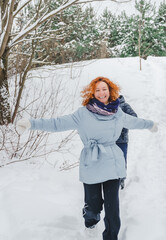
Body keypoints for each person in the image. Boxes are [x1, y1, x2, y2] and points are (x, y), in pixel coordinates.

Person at [16, 77, 158, 240]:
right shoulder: (83, 114)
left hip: (112, 163)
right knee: (93, 206)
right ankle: (90, 222)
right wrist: (30, 123)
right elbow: (56, 123)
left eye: (104, 89)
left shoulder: (117, 112)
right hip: (92, 163)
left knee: (113, 210)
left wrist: (150, 124)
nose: (101, 93)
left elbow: (134, 121)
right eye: (97, 90)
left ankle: (111, 237)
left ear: (110, 91)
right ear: (92, 93)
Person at [116, 95, 137, 189]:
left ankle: (121, 179)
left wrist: (122, 124)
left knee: (121, 159)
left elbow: (134, 118)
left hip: (121, 140)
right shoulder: (106, 106)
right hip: (108, 140)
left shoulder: (124, 106)